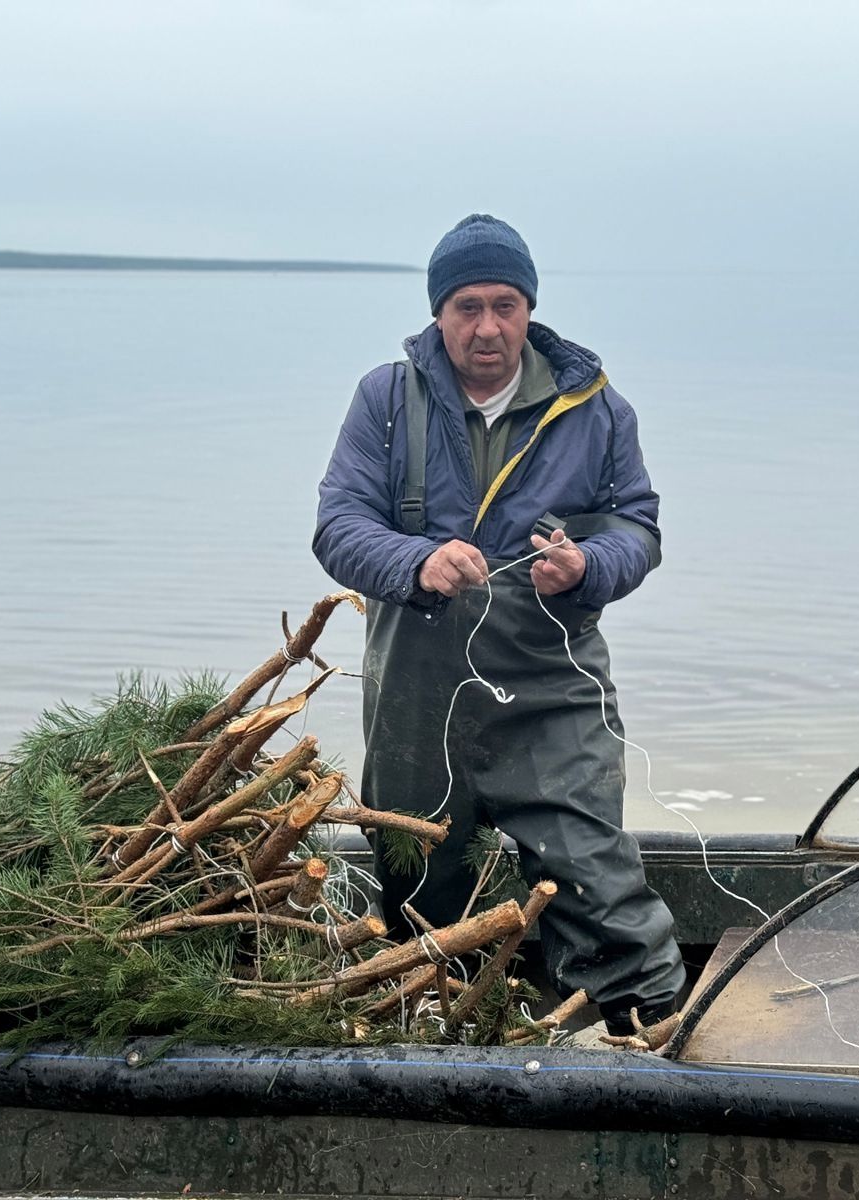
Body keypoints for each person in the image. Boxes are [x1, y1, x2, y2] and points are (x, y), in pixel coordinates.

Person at [312, 214, 684, 1034]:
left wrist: (590, 568)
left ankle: (646, 1027)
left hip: (552, 689)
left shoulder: (597, 408)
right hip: (419, 701)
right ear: (439, 314)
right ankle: (444, 1028)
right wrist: (414, 564)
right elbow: (338, 526)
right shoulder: (385, 398)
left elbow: (639, 528)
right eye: (467, 307)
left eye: (505, 305)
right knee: (422, 889)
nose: (488, 327)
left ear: (530, 307)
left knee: (595, 874)